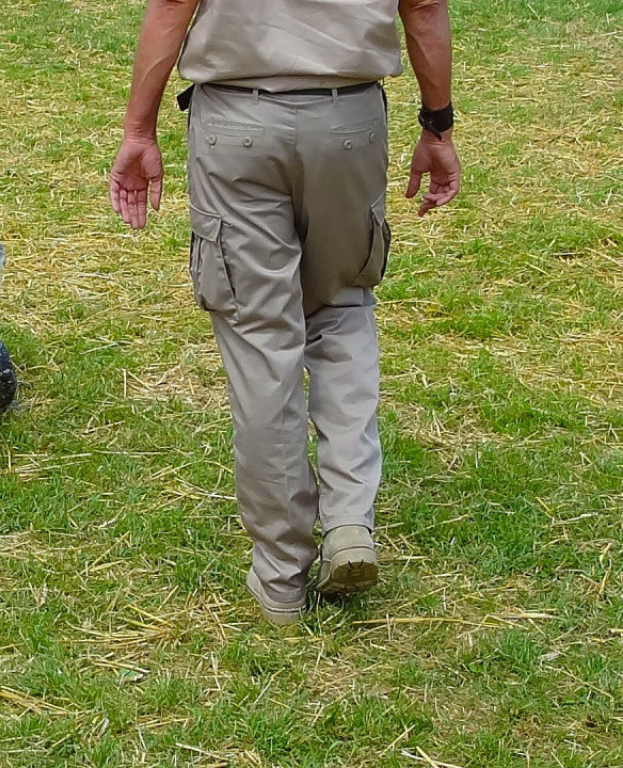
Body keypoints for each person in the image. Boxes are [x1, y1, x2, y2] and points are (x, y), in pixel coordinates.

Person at [109, 0, 461, 624]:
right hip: (349, 121)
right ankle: (349, 519)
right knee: (344, 308)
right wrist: (438, 126)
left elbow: (171, 5)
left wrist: (139, 129)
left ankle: (280, 576)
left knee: (260, 338)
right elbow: (424, 6)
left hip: (235, 121)